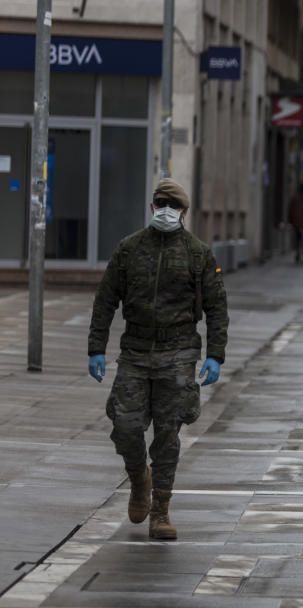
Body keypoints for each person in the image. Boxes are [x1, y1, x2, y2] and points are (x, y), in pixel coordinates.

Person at [87, 178, 229, 541]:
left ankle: (161, 511)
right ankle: (139, 479)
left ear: (183, 212)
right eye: (160, 203)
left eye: (172, 204)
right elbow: (106, 300)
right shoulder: (129, 249)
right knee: (125, 425)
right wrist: (96, 348)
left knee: (167, 434)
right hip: (135, 351)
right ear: (152, 208)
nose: (165, 210)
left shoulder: (198, 254)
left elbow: (216, 308)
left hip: (178, 351)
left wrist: (215, 355)